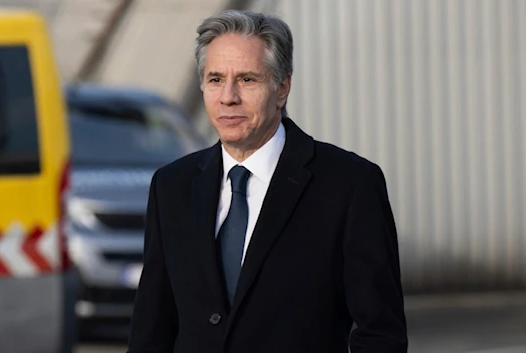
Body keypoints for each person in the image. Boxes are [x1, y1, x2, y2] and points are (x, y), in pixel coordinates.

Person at [127, 9, 407, 353]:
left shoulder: (349, 186)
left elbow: (380, 334)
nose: (228, 96)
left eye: (247, 79)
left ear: (282, 88)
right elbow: (151, 330)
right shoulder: (171, 187)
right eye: (215, 79)